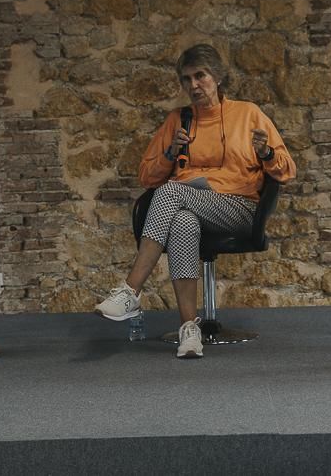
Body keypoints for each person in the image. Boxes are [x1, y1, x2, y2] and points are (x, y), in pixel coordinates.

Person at [95, 44, 296, 358]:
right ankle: (189, 329)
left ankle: (130, 290)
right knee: (182, 222)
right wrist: (172, 152)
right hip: (192, 206)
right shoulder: (179, 120)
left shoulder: (248, 113)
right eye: (186, 79)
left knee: (171, 192)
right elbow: (147, 176)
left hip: (239, 208)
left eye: (200, 76)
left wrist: (266, 152)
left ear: (216, 77)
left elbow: (287, 170)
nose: (194, 85)